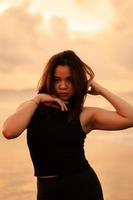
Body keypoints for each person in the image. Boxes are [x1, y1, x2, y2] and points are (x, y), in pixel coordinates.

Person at [2, 50, 133, 200]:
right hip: (47, 191)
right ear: (49, 80)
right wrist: (37, 99)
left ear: (77, 81)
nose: (63, 86)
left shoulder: (84, 115)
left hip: (82, 189)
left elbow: (130, 117)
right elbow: (9, 132)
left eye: (70, 80)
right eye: (57, 80)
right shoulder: (31, 107)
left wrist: (101, 90)